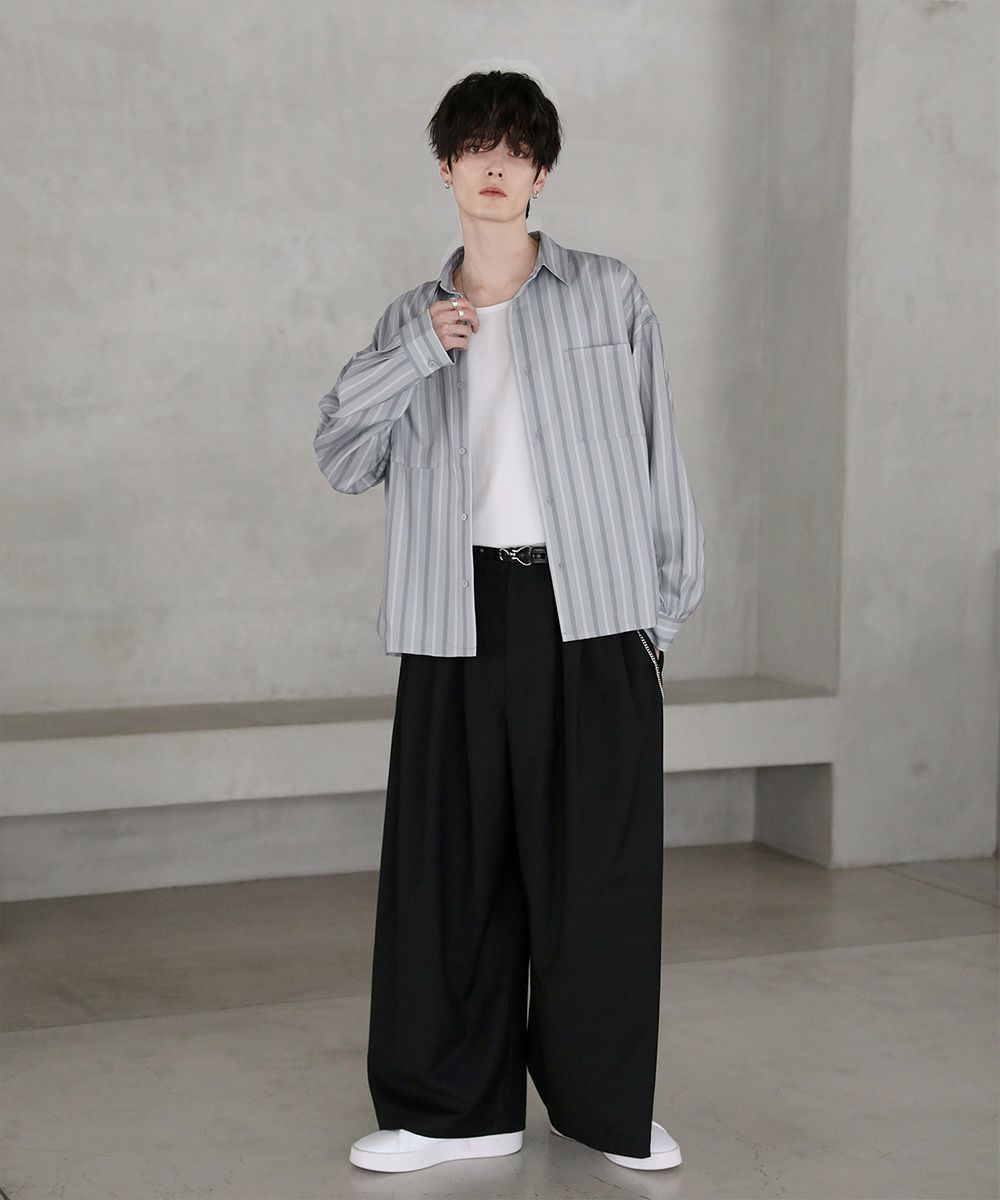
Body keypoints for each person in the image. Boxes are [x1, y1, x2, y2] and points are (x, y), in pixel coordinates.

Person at [313, 69, 706, 1175]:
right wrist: (415, 353)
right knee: (450, 870)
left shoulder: (608, 294)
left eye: (518, 150)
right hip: (457, 615)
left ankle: (604, 1105)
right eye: (476, 148)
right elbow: (341, 456)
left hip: (596, 614)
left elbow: (657, 450)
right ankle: (454, 1111)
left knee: (598, 878)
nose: (497, 166)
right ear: (446, 166)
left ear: (540, 172)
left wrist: (659, 619)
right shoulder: (408, 321)